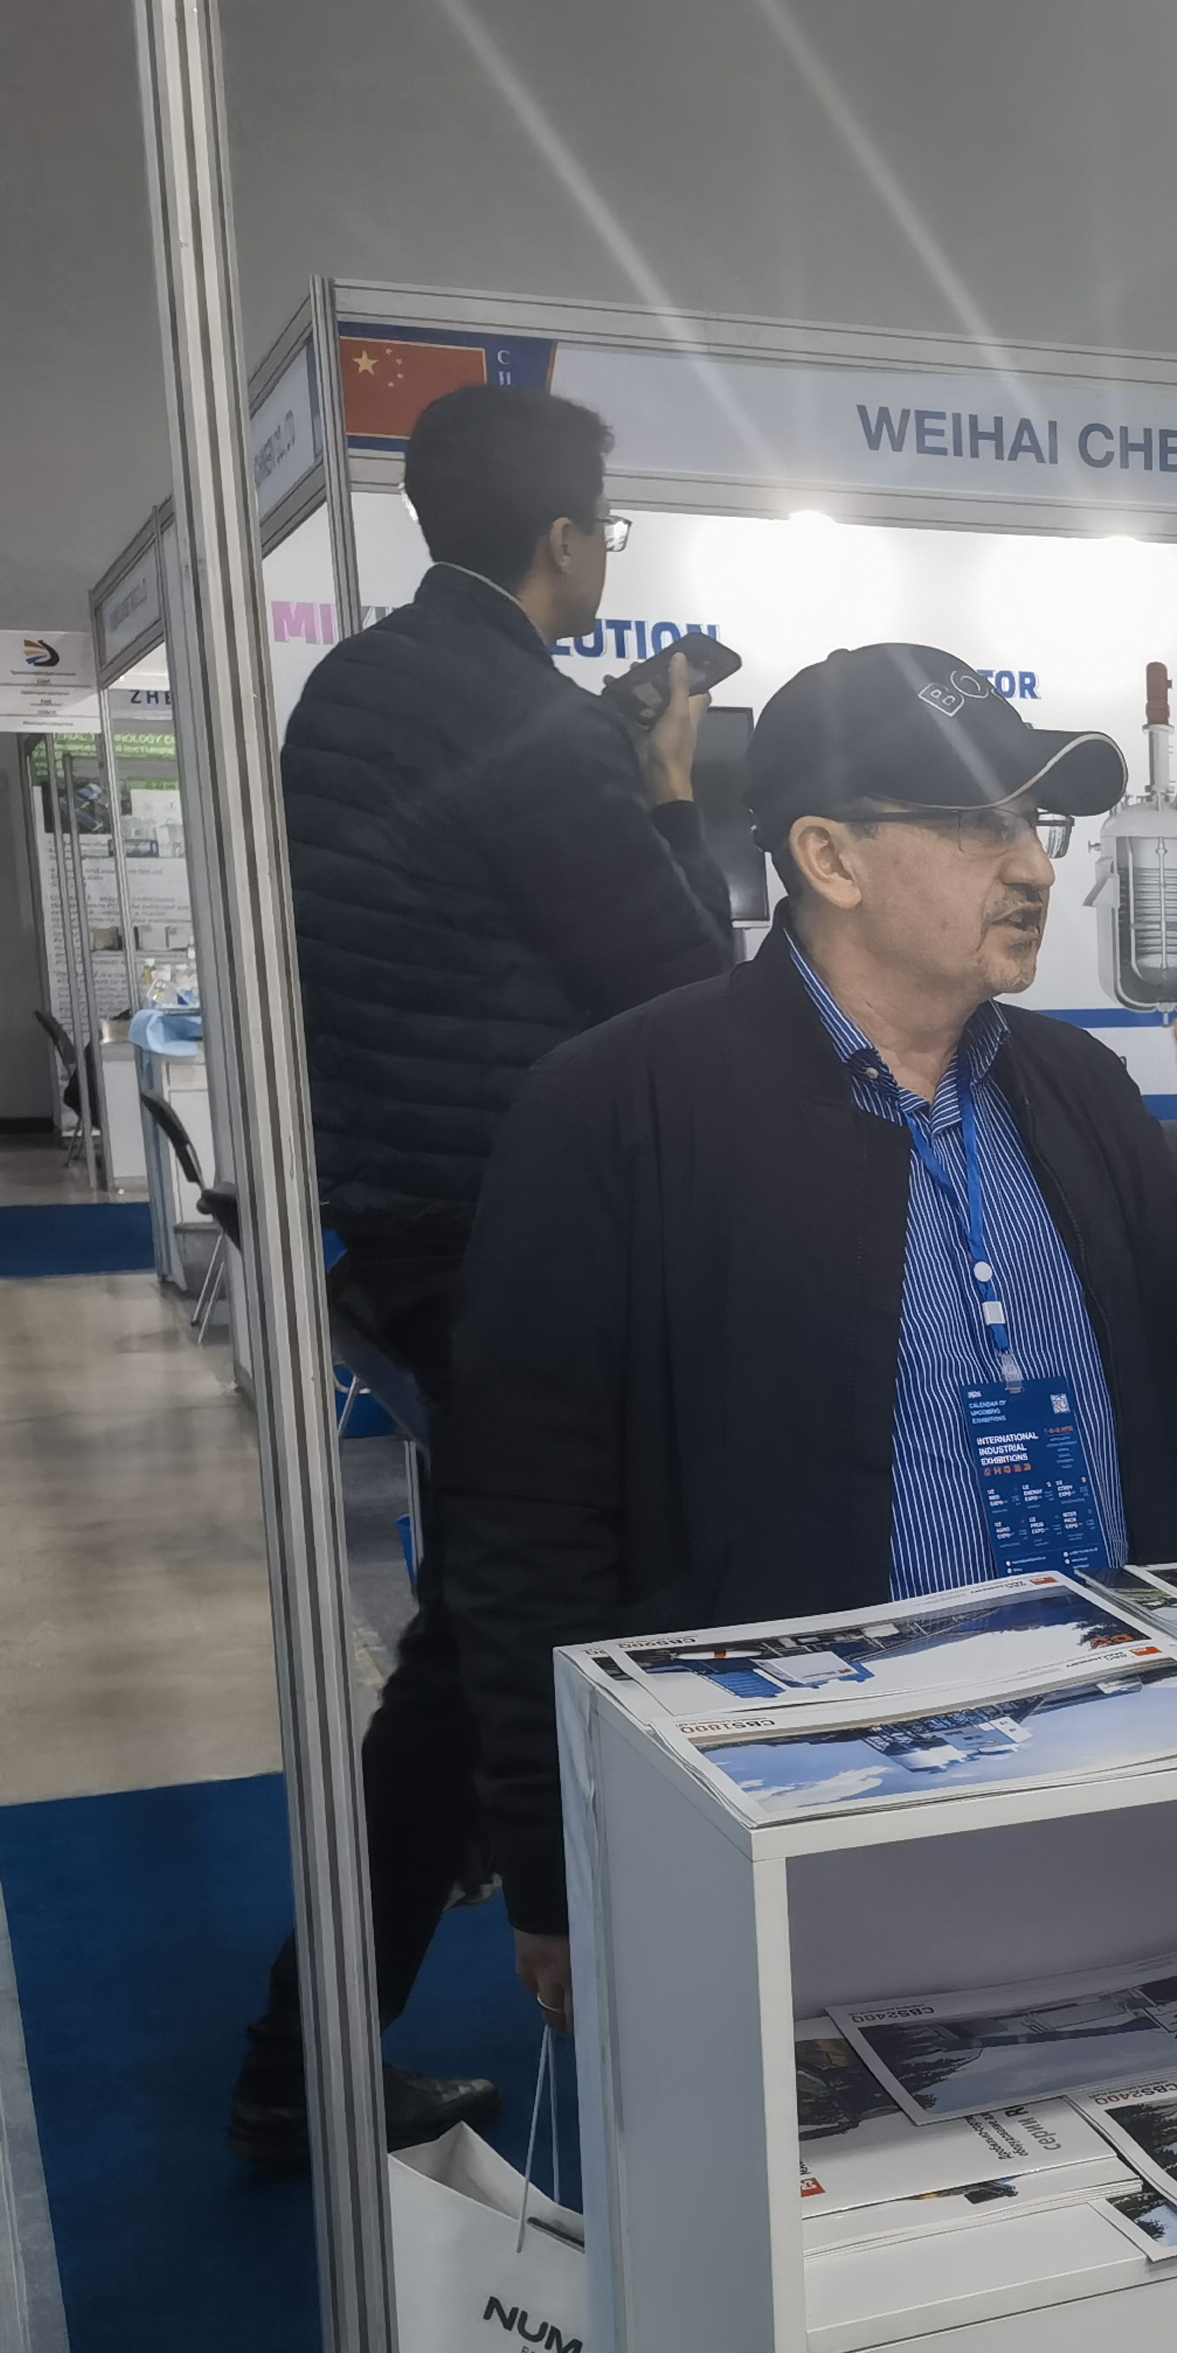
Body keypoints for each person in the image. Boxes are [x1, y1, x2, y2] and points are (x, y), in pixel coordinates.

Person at [446, 645, 1177, 2019]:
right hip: (797, 1804)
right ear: (830, 857)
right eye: (981, 824)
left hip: (1121, 1752)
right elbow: (522, 1525)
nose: (1034, 866)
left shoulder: (1076, 1090)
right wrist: (556, 1860)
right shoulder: (620, 1109)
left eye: (1035, 824)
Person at [227, 382, 732, 2169]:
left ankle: (353, 1994)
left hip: (403, 1212)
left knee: (478, 1629)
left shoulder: (360, 685)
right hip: (512, 1232)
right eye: (608, 528)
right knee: (492, 1639)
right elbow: (684, 992)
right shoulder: (529, 724)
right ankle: (315, 2048)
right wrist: (667, 790)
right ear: (568, 540)